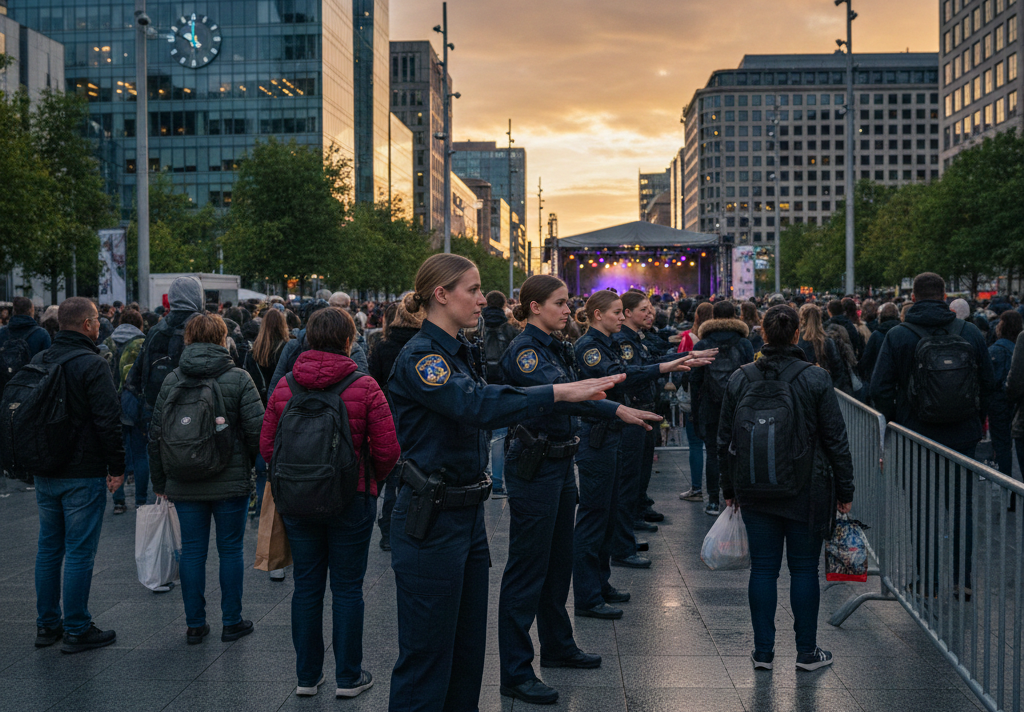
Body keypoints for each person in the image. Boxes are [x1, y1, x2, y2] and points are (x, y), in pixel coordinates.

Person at [386, 254, 627, 712]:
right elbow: (476, 405)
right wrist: (558, 391)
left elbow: (491, 397)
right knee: (426, 657)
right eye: (473, 290)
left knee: (466, 649)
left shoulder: (458, 349)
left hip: (464, 513)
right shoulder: (423, 357)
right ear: (441, 294)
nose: (483, 300)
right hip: (432, 519)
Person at [498, 277, 662, 705]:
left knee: (557, 563)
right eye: (559, 303)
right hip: (535, 466)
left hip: (556, 460)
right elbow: (568, 397)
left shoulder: (552, 343)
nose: (568, 309)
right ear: (534, 307)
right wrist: (616, 408)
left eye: (568, 302)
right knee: (527, 570)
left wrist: (614, 405)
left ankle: (557, 645)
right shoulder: (528, 351)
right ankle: (516, 671)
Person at [260, 307, 400, 699]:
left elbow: (268, 446)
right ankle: (348, 676)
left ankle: (307, 676)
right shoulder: (365, 385)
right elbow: (388, 449)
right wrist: (369, 479)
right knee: (347, 588)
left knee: (305, 586)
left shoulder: (286, 385)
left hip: (299, 500)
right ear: (347, 339)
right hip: (351, 498)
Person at [718, 304, 854, 672]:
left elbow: (724, 440)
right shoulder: (815, 378)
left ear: (762, 333)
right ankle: (807, 652)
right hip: (806, 488)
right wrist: (846, 489)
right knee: (804, 569)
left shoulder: (740, 378)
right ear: (797, 335)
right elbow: (835, 438)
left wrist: (728, 488)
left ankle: (763, 652)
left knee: (762, 570)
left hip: (755, 486)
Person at [574, 291, 708, 601]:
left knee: (608, 512)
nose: (621, 318)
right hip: (600, 434)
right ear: (597, 314)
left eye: (623, 312)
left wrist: (676, 360)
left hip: (615, 429)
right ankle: (588, 592)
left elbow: (641, 363)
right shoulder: (590, 348)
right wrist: (666, 367)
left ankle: (601, 582)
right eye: (616, 312)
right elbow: (619, 378)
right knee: (596, 517)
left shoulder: (607, 343)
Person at [871, 272, 995, 600]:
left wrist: (897, 421)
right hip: (963, 435)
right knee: (961, 508)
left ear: (913, 297)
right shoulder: (969, 332)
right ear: (944, 296)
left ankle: (928, 581)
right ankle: (962, 580)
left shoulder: (899, 335)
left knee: (922, 509)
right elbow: (988, 383)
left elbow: (880, 387)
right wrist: (975, 419)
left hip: (916, 435)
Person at [149, 314, 265, 645]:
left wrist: (160, 482)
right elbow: (258, 431)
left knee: (193, 551)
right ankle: (232, 621)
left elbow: (155, 435)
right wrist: (251, 464)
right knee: (230, 549)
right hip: (230, 480)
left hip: (183, 480)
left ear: (188, 339)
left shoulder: (172, 379)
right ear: (222, 338)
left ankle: (195, 624)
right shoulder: (239, 377)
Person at [30, 298, 125, 653]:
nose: (99, 324)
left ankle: (47, 624)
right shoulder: (92, 364)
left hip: (45, 468)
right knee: (79, 552)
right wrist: (117, 467)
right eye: (97, 319)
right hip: (82, 470)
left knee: (48, 548)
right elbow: (107, 420)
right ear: (87, 324)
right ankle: (77, 627)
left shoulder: (41, 359)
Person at [367, 298, 424, 551]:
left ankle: (388, 530)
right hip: (419, 418)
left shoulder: (383, 346)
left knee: (391, 476)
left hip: (390, 414)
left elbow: (373, 382)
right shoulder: (424, 344)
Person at [689, 300, 755, 515]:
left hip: (710, 405)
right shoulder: (744, 344)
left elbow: (695, 380)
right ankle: (737, 496)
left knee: (712, 452)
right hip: (739, 405)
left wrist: (695, 410)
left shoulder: (702, 344)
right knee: (738, 450)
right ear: (735, 315)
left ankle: (713, 501)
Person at [267, 291, 369, 400]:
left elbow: (275, 391)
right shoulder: (354, 345)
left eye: (343, 306)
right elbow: (365, 391)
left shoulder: (294, 344)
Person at [470, 291, 522, 498]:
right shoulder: (510, 330)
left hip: (480, 383)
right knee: (500, 436)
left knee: (480, 432)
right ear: (503, 305)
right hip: (502, 383)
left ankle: (483, 474)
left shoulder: (474, 328)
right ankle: (498, 482)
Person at [243, 308, 291, 517]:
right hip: (281, 408)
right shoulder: (287, 349)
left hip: (257, 408)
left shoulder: (253, 352)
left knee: (261, 463)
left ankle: (262, 508)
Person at [105, 309, 148, 513]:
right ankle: (140, 501)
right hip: (136, 403)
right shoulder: (143, 343)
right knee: (140, 453)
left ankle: (119, 501)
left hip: (111, 404)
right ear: (140, 325)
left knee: (116, 451)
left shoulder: (108, 342)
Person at [679, 302, 714, 501]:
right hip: (718, 397)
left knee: (694, 443)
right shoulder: (732, 341)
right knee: (716, 446)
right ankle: (718, 493)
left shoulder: (689, 337)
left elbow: (680, 363)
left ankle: (696, 489)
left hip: (696, 395)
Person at [988, 311, 1021, 499]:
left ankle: (1006, 488)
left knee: (1001, 445)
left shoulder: (996, 350)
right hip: (1017, 403)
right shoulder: (1019, 347)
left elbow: (988, 379)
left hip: (999, 403)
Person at [0, 297, 51, 386]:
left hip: (5, 388)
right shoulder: (42, 334)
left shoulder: (1, 333)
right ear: (32, 310)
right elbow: (48, 366)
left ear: (14, 311)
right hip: (32, 389)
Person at [858, 302, 900, 385]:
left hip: (878, 378)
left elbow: (866, 358)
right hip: (898, 381)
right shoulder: (903, 332)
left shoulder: (876, 334)